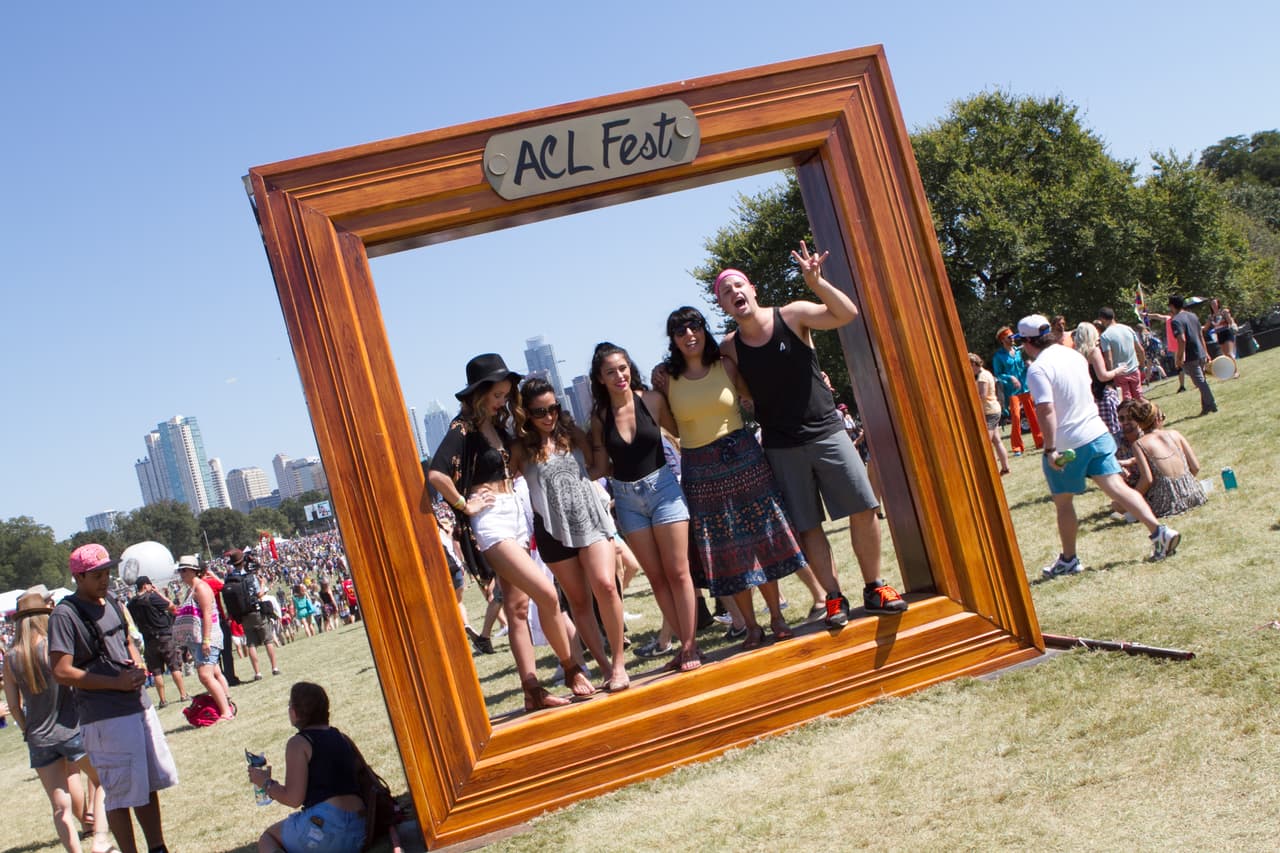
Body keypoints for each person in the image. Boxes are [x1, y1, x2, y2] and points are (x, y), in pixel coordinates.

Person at [714, 244, 907, 627]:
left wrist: (817, 283)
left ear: (752, 289)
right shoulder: (730, 348)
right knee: (807, 526)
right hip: (781, 446)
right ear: (722, 304)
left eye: (738, 285)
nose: (734, 292)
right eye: (725, 291)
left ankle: (875, 587)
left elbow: (846, 313)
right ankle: (834, 598)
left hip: (828, 432)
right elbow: (741, 393)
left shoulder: (794, 314)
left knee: (864, 507)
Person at [427, 353, 593, 709]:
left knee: (517, 608)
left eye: (505, 394)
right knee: (547, 594)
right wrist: (464, 504)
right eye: (497, 394)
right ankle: (571, 668)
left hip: (514, 514)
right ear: (479, 393)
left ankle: (532, 691)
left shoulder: (498, 427)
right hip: (490, 521)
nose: (502, 401)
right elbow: (437, 474)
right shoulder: (462, 429)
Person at [661, 305, 808, 649]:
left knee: (761, 539)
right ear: (673, 340)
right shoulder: (666, 378)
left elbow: (755, 397)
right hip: (700, 469)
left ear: (703, 329)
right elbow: (670, 425)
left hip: (743, 458)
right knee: (726, 551)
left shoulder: (725, 365)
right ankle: (751, 626)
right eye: (680, 331)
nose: (689, 335)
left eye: (694, 326)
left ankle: (777, 616)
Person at [1013, 316, 1181, 577]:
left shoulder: (1038, 369)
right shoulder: (1074, 356)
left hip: (1069, 443)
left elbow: (1046, 410)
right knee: (1118, 488)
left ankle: (1069, 559)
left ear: (1027, 342)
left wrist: (1050, 449)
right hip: (1097, 433)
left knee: (1063, 502)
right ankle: (1160, 532)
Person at [49, 544, 177, 853]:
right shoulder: (65, 614)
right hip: (104, 717)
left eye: (106, 572)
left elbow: (126, 641)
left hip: (136, 705)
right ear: (79, 577)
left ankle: (158, 847)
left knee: (147, 784)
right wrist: (114, 682)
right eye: (97, 575)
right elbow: (61, 670)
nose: (105, 579)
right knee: (119, 793)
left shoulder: (112, 602)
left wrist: (137, 665)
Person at [588, 342, 703, 671]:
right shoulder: (600, 417)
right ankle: (684, 646)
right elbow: (600, 466)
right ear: (600, 378)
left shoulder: (651, 400)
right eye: (611, 371)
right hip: (627, 499)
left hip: (663, 489)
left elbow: (681, 430)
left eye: (623, 368)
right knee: (656, 577)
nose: (619, 376)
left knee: (678, 571)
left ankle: (691, 646)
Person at [512, 377, 630, 691]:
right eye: (539, 411)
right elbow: (502, 481)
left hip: (590, 519)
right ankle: (605, 667)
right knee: (578, 602)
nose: (548, 416)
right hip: (551, 531)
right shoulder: (520, 449)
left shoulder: (572, 434)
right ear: (526, 414)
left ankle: (619, 664)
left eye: (553, 408)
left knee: (606, 585)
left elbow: (597, 464)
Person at [4, 585, 112, 853]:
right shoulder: (53, 648)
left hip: (38, 737)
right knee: (104, 780)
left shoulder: (11, 657)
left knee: (59, 807)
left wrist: (26, 728)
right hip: (71, 727)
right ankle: (100, 838)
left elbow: (14, 705)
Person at [247, 682, 367, 853]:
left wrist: (265, 782)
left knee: (268, 838)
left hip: (325, 827)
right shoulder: (341, 737)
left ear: (295, 712)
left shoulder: (299, 743)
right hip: (360, 828)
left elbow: (293, 799)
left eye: (290, 705)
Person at [174, 556, 235, 720]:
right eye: (180, 570)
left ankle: (226, 712)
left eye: (184, 570)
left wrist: (207, 640)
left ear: (194, 571)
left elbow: (207, 614)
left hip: (208, 637)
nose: (181, 573)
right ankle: (227, 705)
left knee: (205, 676)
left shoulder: (201, 588)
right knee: (214, 673)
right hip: (197, 639)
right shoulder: (191, 589)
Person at [1129, 399, 1208, 518]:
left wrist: (1129, 499)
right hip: (1194, 494)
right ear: (1157, 419)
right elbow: (1195, 467)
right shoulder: (1175, 434)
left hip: (1166, 503)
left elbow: (1147, 480)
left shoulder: (1139, 444)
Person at [126, 576, 190, 709]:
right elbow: (172, 607)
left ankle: (162, 700)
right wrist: (158, 593)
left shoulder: (131, 604)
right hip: (164, 636)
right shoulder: (152, 597)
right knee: (174, 666)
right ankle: (183, 694)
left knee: (156, 671)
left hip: (148, 640)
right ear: (145, 585)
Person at [223, 549, 281, 679]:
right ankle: (274, 668)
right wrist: (263, 584)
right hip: (255, 610)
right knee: (268, 640)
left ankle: (257, 672)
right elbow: (259, 594)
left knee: (251, 644)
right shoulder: (250, 576)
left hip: (242, 615)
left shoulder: (229, 578)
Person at [992, 325, 1045, 456]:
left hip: (1025, 387)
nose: (1013, 339)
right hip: (1012, 391)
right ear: (1003, 340)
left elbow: (1024, 366)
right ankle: (1017, 447)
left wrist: (1028, 365)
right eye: (1009, 337)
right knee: (1016, 417)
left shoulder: (1019, 351)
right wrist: (1010, 377)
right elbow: (998, 374)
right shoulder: (998, 356)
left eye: (1013, 336)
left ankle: (1040, 441)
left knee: (1032, 415)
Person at [1072, 322, 1125, 444]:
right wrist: (1117, 371)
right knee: (1114, 434)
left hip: (1087, 399)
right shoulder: (1094, 352)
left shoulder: (1075, 354)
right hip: (1103, 396)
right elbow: (1102, 376)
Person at [1169, 295, 1218, 416]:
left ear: (1172, 306)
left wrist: (1179, 358)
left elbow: (1182, 340)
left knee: (1199, 382)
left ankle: (1212, 404)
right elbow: (1201, 335)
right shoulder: (1193, 316)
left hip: (1190, 355)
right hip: (1200, 352)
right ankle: (1206, 407)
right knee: (1202, 381)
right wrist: (1205, 352)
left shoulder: (1175, 321)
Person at [969, 352, 1010, 475]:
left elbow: (982, 395)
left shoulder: (982, 376)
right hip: (993, 409)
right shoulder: (987, 373)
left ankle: (991, 472)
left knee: (985, 442)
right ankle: (1005, 468)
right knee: (997, 441)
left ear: (973, 364)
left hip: (989, 411)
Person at [1096, 307, 1145, 400]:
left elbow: (1109, 358)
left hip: (1119, 373)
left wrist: (1111, 374)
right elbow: (1140, 350)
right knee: (1139, 397)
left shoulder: (1105, 336)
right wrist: (1142, 366)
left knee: (1126, 401)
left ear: (1102, 319)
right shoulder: (1128, 329)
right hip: (1134, 369)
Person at [1210, 298, 1240, 378]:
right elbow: (1207, 327)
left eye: (1215, 303)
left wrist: (1227, 315)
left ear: (1218, 304)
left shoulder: (1223, 312)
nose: (1213, 305)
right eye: (1212, 304)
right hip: (1219, 335)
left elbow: (1230, 322)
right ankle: (1230, 371)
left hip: (1227, 333)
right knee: (1225, 355)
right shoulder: (1211, 316)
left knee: (1229, 353)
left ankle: (1236, 371)